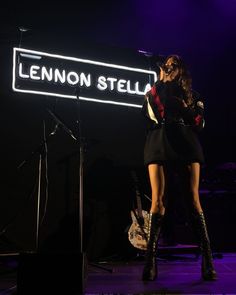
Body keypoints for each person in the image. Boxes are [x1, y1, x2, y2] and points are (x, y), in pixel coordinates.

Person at [141, 54, 217, 281]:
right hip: (159, 141)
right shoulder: (153, 91)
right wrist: (160, 81)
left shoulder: (193, 96)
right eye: (167, 64)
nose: (169, 67)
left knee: (193, 200)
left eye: (174, 65)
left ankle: (207, 259)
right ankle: (150, 261)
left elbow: (200, 124)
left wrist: (185, 107)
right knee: (157, 201)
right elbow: (151, 115)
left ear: (181, 70)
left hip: (185, 142)